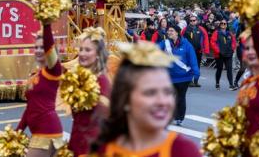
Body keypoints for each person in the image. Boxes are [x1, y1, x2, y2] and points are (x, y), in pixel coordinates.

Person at [91, 41, 201, 156]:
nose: (163, 101)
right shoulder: (102, 149)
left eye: (168, 92)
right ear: (125, 99)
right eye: (150, 93)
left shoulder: (183, 151)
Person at [17, 18, 64, 156]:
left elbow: (49, 44)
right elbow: (30, 107)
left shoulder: (54, 70)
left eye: (42, 47)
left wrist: (46, 23)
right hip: (40, 132)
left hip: (47, 132)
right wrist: (17, 131)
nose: (38, 50)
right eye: (36, 47)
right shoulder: (37, 75)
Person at [69, 27, 111, 157]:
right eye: (81, 49)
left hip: (92, 146)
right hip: (76, 141)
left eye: (87, 50)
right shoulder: (78, 78)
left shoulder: (102, 80)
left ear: (98, 54)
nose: (82, 54)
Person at [157, 26, 199, 126]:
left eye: (172, 31)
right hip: (169, 76)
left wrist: (196, 72)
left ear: (177, 33)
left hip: (184, 77)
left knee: (181, 97)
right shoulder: (165, 43)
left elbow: (192, 58)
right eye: (168, 31)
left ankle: (179, 117)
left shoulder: (186, 44)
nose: (169, 32)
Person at [181, 15, 209, 87]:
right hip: (189, 51)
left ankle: (196, 81)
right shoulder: (185, 29)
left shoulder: (201, 29)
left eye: (194, 20)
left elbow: (205, 39)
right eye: (191, 21)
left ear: (196, 21)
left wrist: (206, 50)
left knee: (197, 66)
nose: (193, 22)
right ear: (189, 21)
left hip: (198, 51)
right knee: (189, 66)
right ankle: (189, 81)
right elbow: (181, 39)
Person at [210, 19, 236, 90]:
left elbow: (234, 42)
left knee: (229, 69)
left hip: (228, 54)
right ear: (220, 24)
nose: (223, 25)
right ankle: (217, 83)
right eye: (222, 23)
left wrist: (232, 49)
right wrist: (218, 51)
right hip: (219, 55)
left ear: (226, 25)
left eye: (225, 23)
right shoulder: (216, 32)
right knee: (219, 69)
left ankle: (231, 84)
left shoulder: (229, 33)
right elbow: (212, 42)